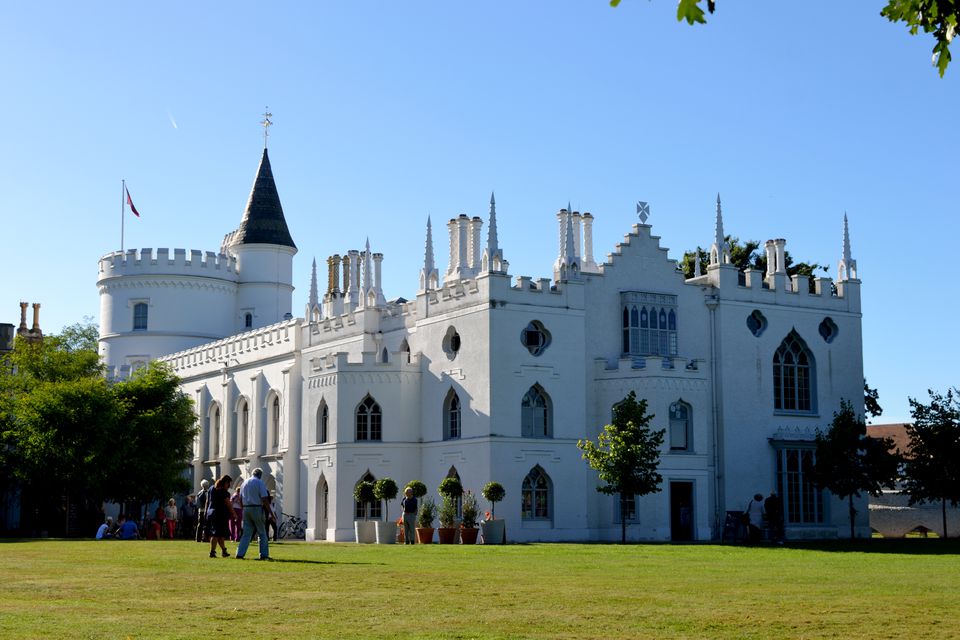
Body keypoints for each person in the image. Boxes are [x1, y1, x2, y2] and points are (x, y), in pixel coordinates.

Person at [235, 468, 271, 560]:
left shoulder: (244, 483)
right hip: (256, 507)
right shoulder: (259, 482)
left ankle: (240, 553)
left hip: (246, 508)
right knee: (262, 533)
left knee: (246, 534)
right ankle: (263, 554)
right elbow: (264, 498)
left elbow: (240, 498)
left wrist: (243, 509)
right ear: (260, 475)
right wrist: (271, 512)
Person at [208, 474, 235, 558]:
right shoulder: (224, 492)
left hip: (211, 513)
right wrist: (234, 514)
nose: (229, 486)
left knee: (220, 534)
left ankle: (224, 551)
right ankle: (212, 552)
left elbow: (207, 501)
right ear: (226, 482)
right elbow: (228, 504)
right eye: (228, 483)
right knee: (216, 534)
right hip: (220, 514)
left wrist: (206, 512)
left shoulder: (212, 488)